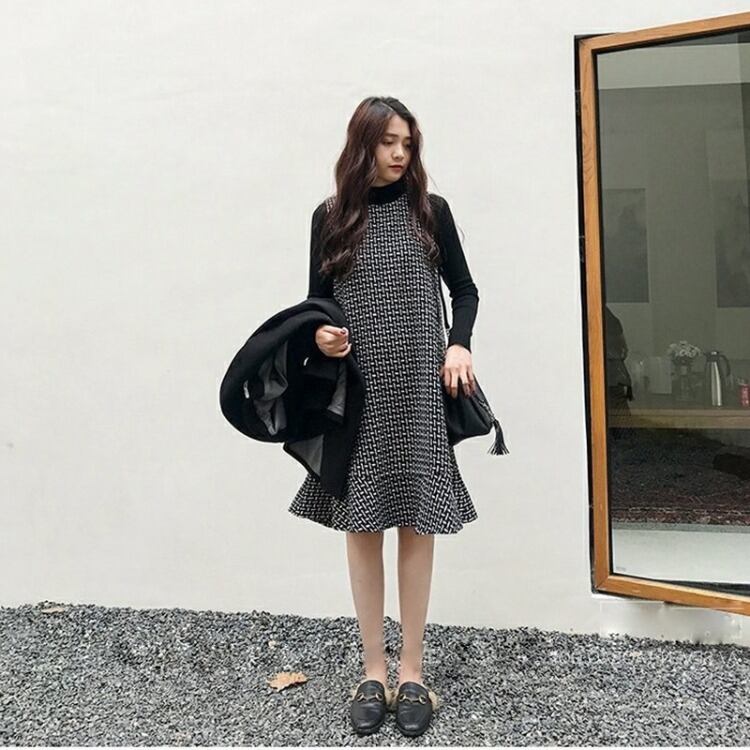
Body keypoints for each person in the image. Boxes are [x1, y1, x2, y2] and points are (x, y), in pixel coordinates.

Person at [287, 96, 481, 737]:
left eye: (408, 143)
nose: (400, 154)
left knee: (417, 523)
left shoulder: (431, 211)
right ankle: (373, 669)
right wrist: (323, 337)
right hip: (360, 391)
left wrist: (459, 344)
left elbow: (465, 290)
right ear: (362, 144)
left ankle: (413, 673)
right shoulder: (330, 218)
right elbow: (316, 305)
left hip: (419, 389)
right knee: (362, 525)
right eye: (389, 142)